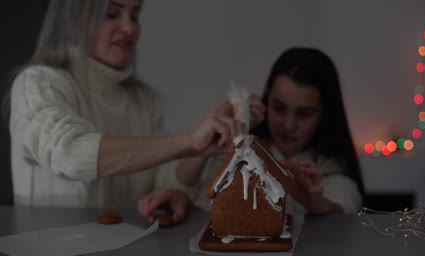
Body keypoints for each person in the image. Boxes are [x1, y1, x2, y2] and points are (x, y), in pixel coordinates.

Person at [8, 0, 246, 216]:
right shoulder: (37, 85)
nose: (129, 28)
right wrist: (188, 142)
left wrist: (201, 151)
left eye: (134, 15)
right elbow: (69, 153)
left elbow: (163, 184)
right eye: (111, 13)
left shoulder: (144, 100)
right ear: (73, 20)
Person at [141, 47, 364, 215]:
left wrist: (314, 201)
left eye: (303, 114)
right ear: (266, 99)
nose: (288, 124)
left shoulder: (329, 169)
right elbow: (168, 192)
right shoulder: (241, 151)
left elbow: (346, 211)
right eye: (279, 108)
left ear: (324, 113)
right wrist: (203, 149)